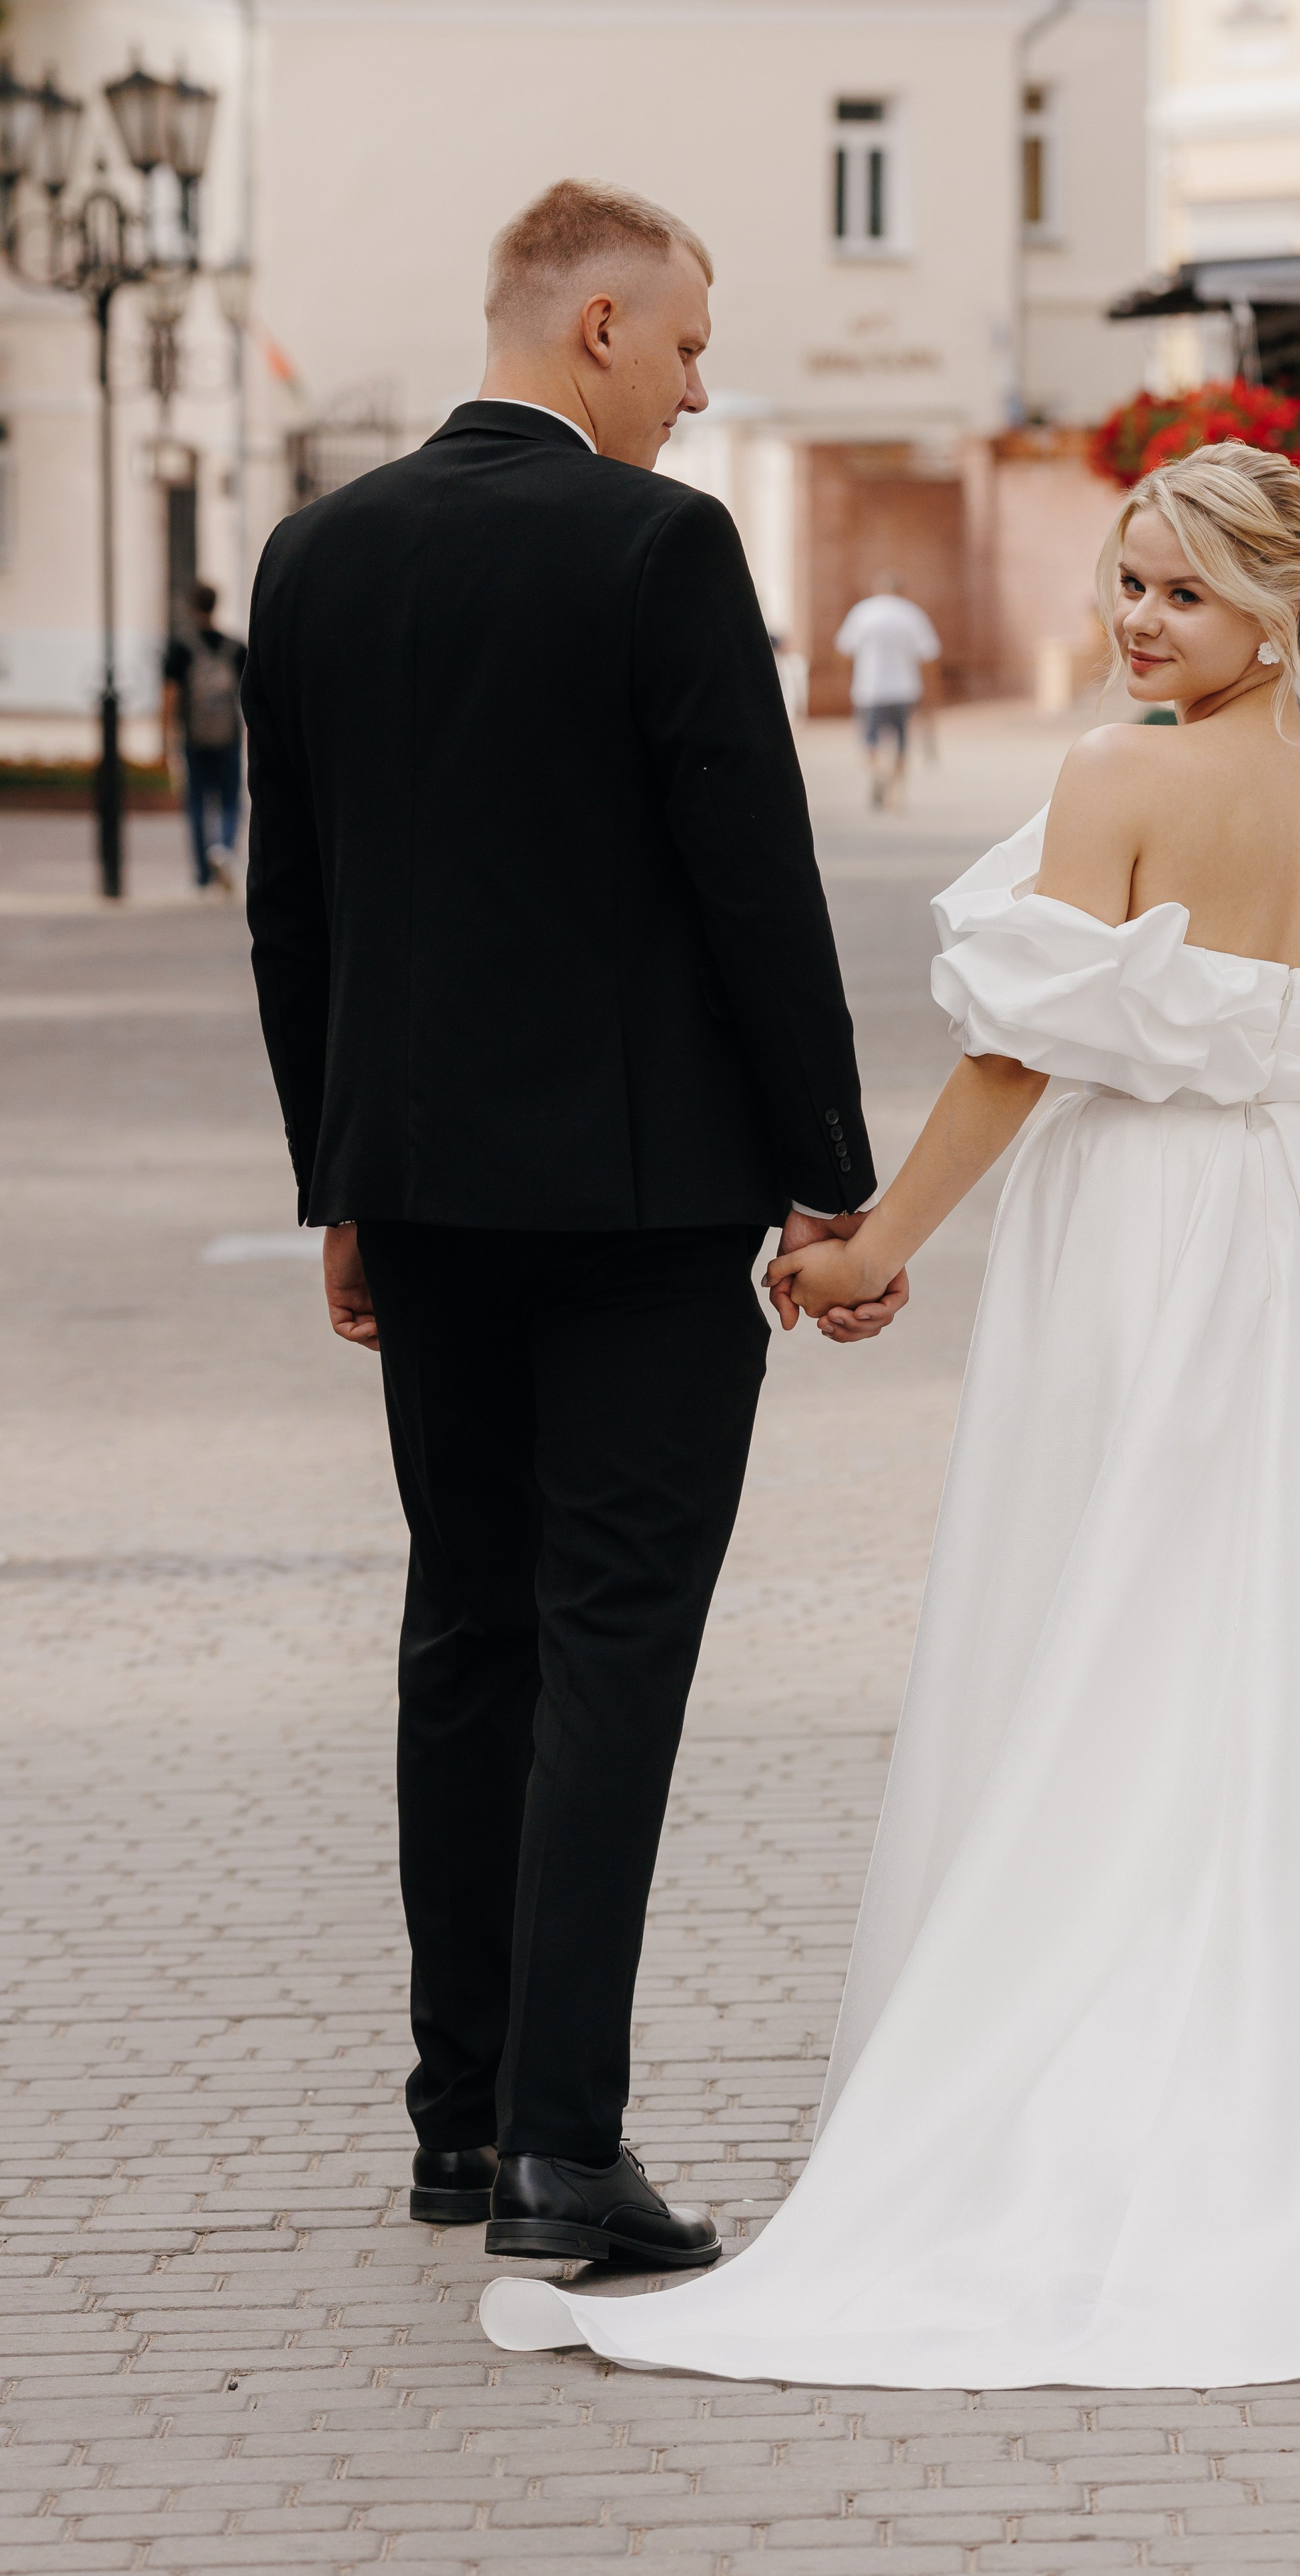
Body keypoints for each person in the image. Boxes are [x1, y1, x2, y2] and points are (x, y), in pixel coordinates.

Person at [481, 444, 1300, 2389]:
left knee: (1134, 1622)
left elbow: (1020, 1054)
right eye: (1124, 583)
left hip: (1163, 1248)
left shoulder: (1118, 777)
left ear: (1284, 609)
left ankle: (1142, 2067)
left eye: (1179, 592)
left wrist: (870, 1250)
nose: (1134, 623)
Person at [243, 180, 905, 2273]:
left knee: (469, 1631)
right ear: (600, 325)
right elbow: (752, 876)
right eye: (692, 349)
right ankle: (560, 2148)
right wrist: (832, 1168)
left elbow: (297, 911)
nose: (704, 394)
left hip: (423, 1188)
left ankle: (454, 2129)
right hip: (639, 1203)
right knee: (613, 1641)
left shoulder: (315, 553)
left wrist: (334, 1178)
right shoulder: (656, 546)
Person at [162, 583, 247, 893]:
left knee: (197, 804)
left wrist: (166, 737)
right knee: (229, 802)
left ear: (191, 606)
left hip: (195, 738)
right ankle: (223, 849)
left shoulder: (181, 648)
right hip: (229, 737)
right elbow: (250, 697)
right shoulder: (235, 648)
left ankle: (202, 875)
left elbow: (170, 697)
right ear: (216, 605)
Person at [834, 577, 940, 809]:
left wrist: (846, 680)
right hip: (905, 689)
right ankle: (897, 793)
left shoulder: (863, 613)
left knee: (869, 741)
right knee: (902, 742)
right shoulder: (912, 614)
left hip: (870, 688)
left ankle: (879, 772)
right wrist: (930, 694)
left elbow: (844, 649)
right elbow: (929, 655)